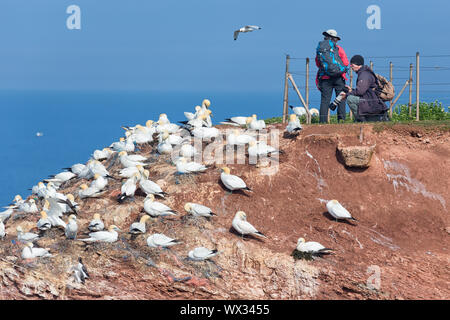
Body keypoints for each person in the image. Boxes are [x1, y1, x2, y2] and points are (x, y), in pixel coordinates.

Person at [316, 29, 349, 123]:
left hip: (325, 78)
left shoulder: (321, 49)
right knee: (341, 98)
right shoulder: (339, 49)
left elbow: (318, 63)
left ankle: (322, 122)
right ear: (335, 39)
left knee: (325, 100)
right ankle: (341, 121)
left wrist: (327, 69)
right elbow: (346, 63)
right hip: (339, 77)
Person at [344, 55, 388, 121]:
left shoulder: (364, 75)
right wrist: (352, 90)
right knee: (352, 97)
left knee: (350, 99)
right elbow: (363, 89)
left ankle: (360, 120)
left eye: (352, 65)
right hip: (370, 98)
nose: (351, 67)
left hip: (371, 101)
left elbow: (360, 91)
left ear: (358, 65)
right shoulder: (364, 72)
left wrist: (348, 94)